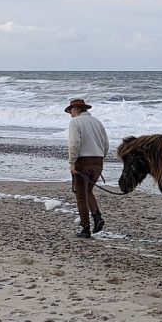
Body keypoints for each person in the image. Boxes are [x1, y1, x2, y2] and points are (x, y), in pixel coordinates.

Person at [65, 98, 109, 237]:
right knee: (88, 191)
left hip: (82, 162)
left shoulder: (75, 122)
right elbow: (106, 144)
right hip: (98, 161)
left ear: (76, 109)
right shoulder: (98, 122)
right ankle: (97, 217)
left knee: (81, 195)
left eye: (70, 111)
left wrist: (72, 163)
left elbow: (74, 143)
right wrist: (100, 159)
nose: (70, 114)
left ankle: (85, 228)